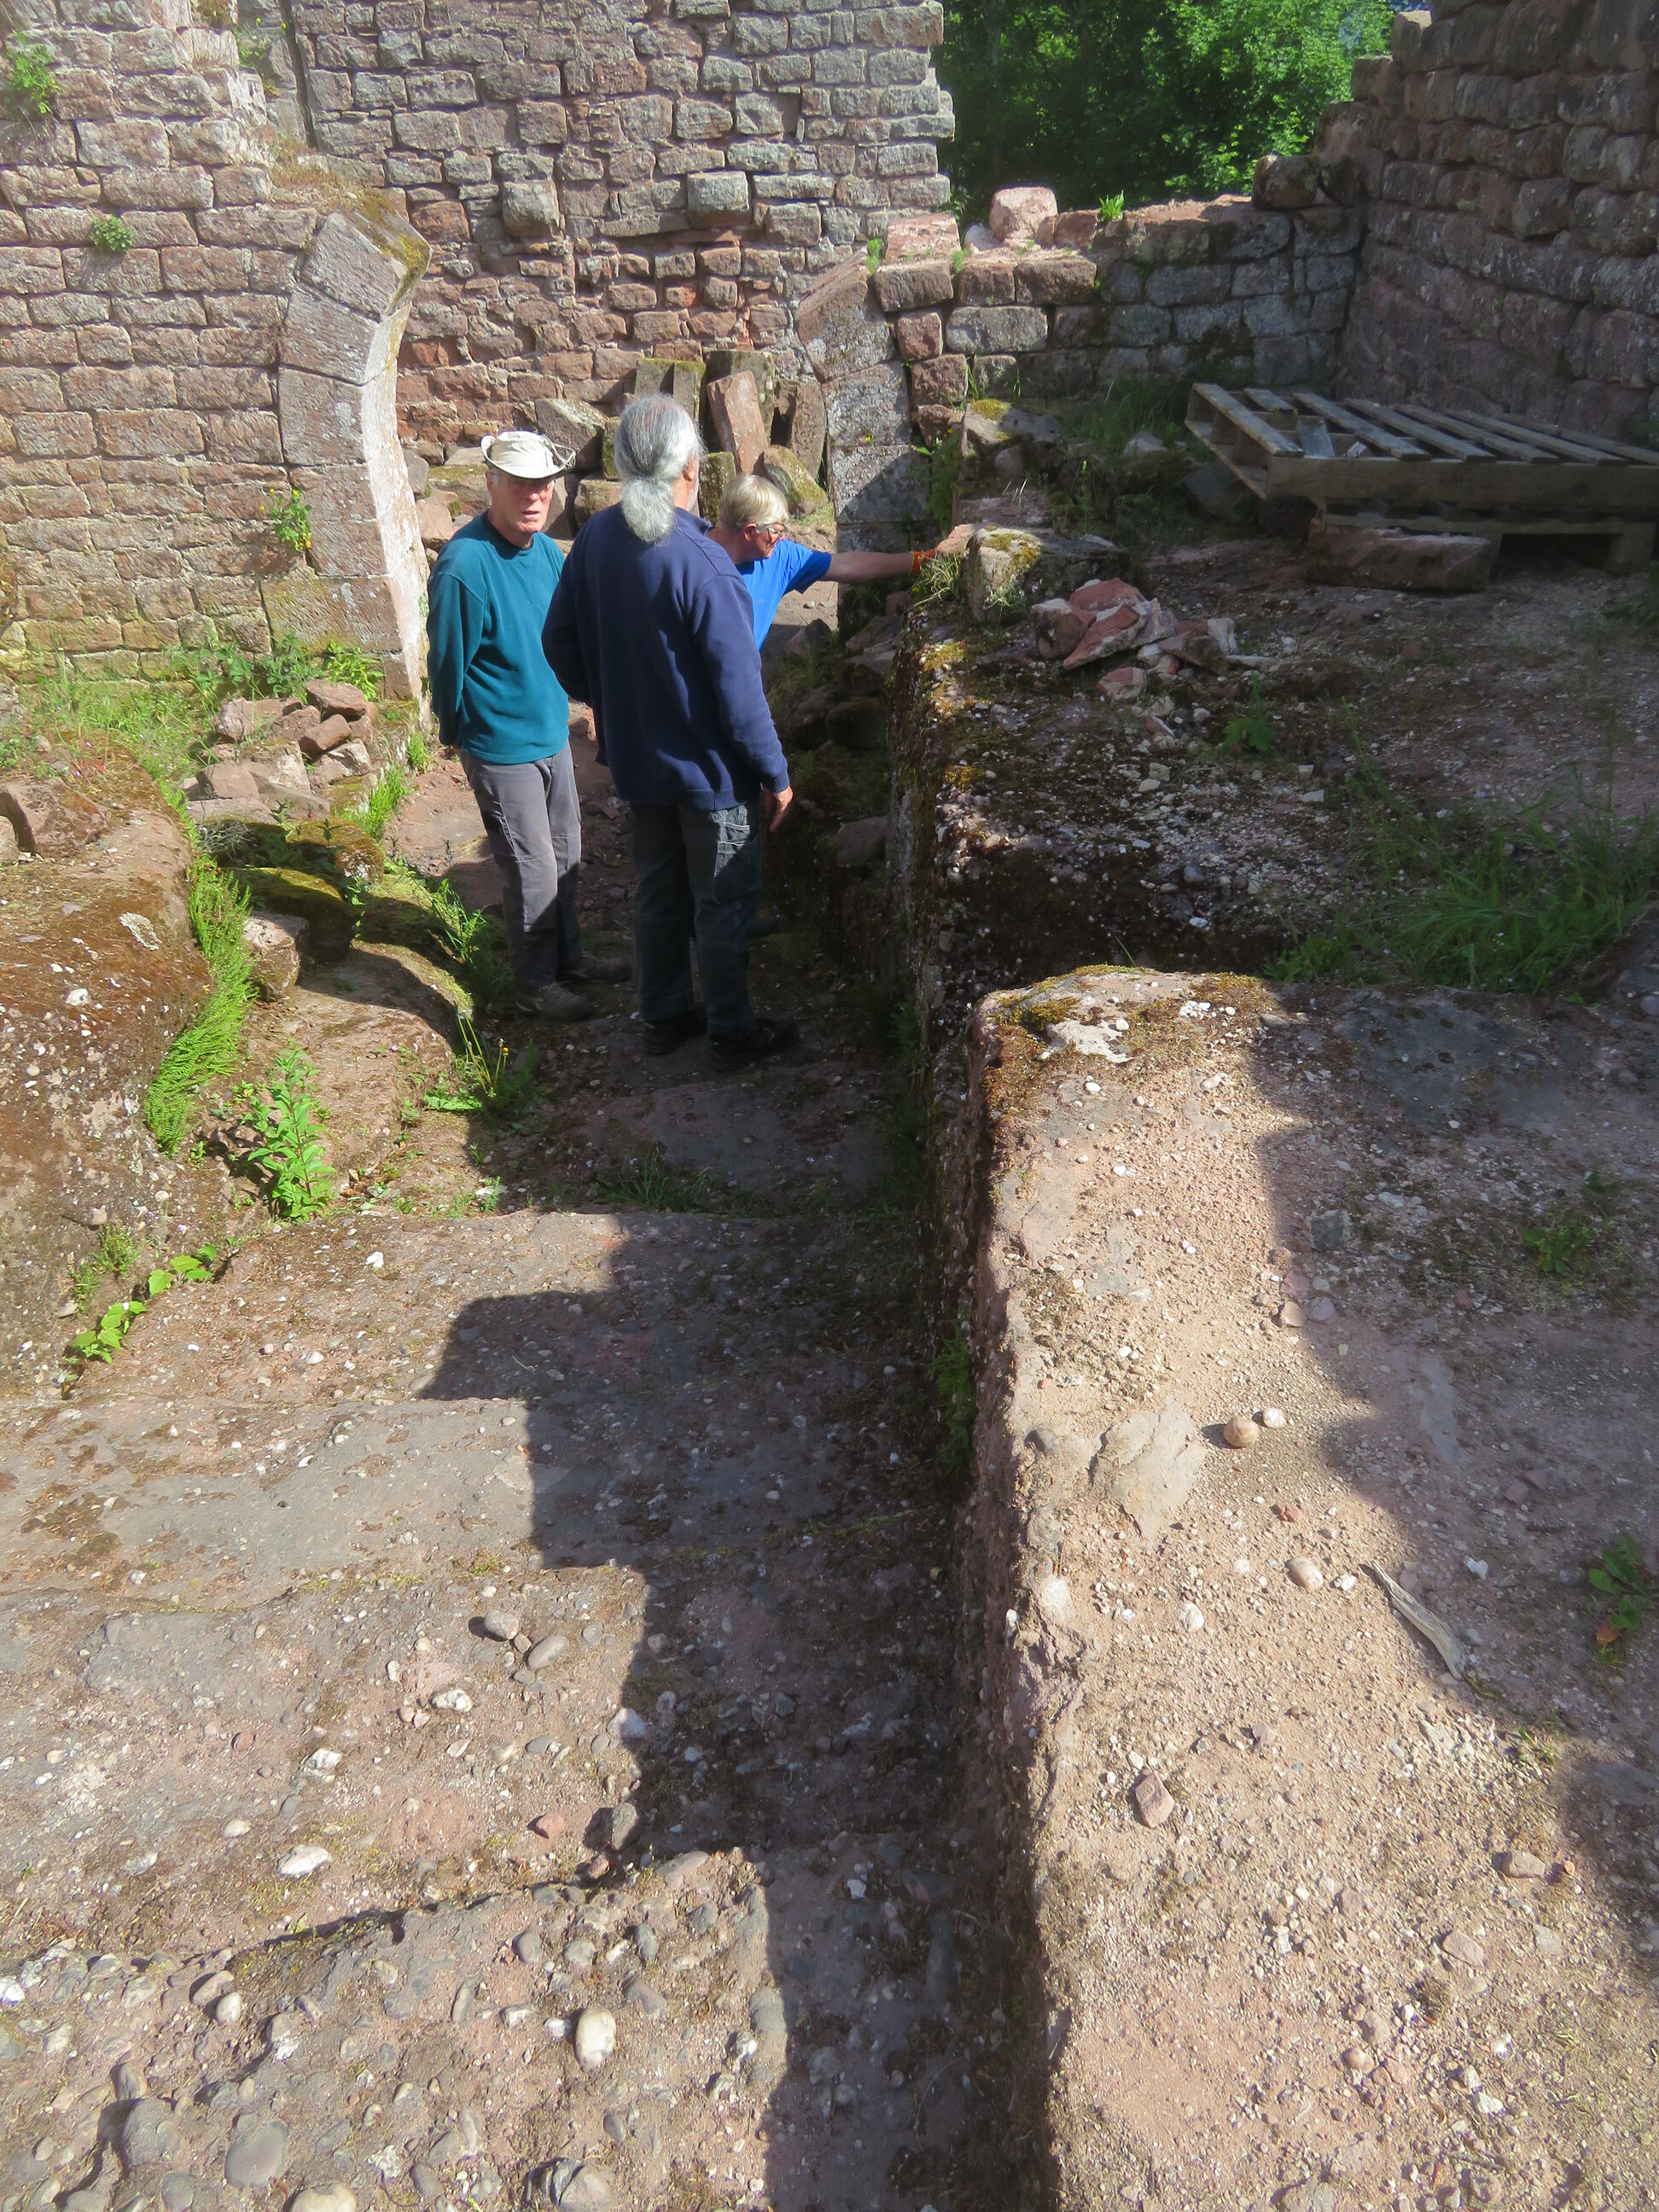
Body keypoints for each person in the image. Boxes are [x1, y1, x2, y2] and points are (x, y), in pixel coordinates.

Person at [542, 397, 799, 1071]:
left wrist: (609, 697)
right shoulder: (703, 564)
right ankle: (731, 1032)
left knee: (658, 889)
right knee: (722, 901)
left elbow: (558, 640)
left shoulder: (596, 539)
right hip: (711, 774)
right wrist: (775, 773)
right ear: (690, 468)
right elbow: (741, 697)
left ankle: (662, 1017)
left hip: (639, 762)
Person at [425, 427, 631, 1023]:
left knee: (566, 853)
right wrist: (459, 732)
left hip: (550, 733)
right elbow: (448, 663)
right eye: (520, 485)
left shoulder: (543, 552)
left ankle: (570, 960)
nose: (535, 496)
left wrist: (589, 699)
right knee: (532, 867)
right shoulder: (465, 566)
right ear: (492, 483)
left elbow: (570, 632)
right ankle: (534, 985)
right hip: (500, 744)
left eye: (543, 485)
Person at [709, 472, 937, 649]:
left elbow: (846, 566)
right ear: (750, 532)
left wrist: (920, 560)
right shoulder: (693, 562)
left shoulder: (778, 557)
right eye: (777, 531)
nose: (783, 537)